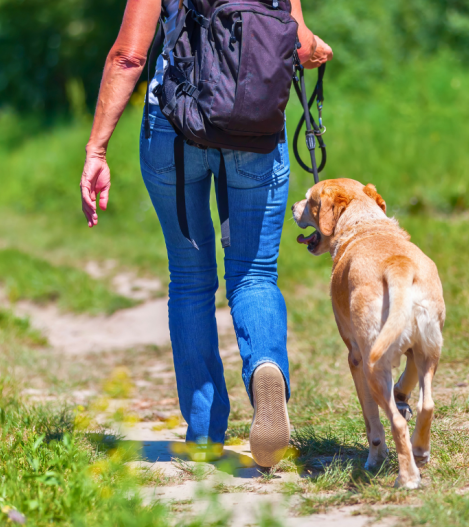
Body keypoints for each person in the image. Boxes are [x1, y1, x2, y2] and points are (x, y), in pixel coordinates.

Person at [79, 0, 332, 467]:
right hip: (255, 131)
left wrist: (97, 148)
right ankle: (266, 369)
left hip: (175, 130)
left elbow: (128, 57)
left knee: (191, 280)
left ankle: (202, 432)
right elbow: (297, 42)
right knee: (254, 274)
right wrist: (318, 50)